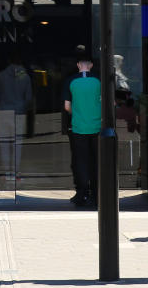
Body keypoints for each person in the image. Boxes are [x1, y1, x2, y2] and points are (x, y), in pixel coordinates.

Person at [64, 45, 101, 208]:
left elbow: (67, 106)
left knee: (80, 161)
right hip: (97, 127)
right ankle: (97, 193)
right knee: (96, 161)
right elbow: (109, 102)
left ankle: (82, 193)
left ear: (79, 65)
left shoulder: (70, 81)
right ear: (91, 65)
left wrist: (76, 114)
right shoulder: (99, 80)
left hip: (78, 127)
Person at [0, 53, 33, 180]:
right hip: (19, 113)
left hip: (4, 112)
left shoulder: (1, 76)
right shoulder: (25, 77)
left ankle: (6, 172)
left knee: (4, 143)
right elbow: (28, 98)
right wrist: (22, 107)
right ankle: (15, 171)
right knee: (17, 144)